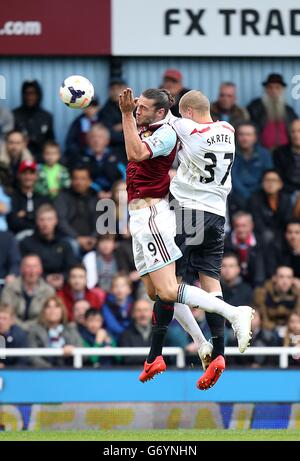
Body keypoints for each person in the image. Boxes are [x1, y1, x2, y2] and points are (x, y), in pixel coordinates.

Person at [119, 87, 253, 387]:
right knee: (191, 284)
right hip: (217, 214)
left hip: (185, 212)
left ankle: (158, 353)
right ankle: (215, 350)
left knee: (168, 288)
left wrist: (130, 113)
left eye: (143, 107)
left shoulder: (176, 127)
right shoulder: (228, 129)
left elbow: (140, 149)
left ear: (184, 112)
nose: (137, 110)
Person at [20, 204, 77, 289]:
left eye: (49, 219)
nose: (45, 223)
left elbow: (72, 267)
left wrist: (62, 278)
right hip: (35, 287)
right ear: (37, 221)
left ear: (56, 221)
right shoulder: (26, 243)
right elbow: (23, 269)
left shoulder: (65, 244)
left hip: (62, 286)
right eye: (42, 220)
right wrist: (45, 278)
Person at [54, 166, 98, 256]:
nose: (79, 182)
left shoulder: (95, 197)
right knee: (72, 245)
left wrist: (93, 238)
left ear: (89, 181)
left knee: (105, 245)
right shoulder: (62, 197)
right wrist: (77, 238)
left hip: (93, 240)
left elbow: (100, 221)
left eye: (83, 179)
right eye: (75, 178)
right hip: (69, 239)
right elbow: (61, 221)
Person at [1, 254, 55, 328]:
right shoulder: (10, 288)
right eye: (28, 267)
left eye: (35, 266)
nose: (32, 271)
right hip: (12, 329)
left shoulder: (49, 291)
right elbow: (6, 311)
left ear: (41, 269)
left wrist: (28, 327)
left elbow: (46, 315)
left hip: (39, 328)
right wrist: (20, 328)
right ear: (21, 269)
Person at [27, 295, 82, 368]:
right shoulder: (35, 331)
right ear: (44, 311)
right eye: (48, 307)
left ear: (62, 310)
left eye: (56, 306)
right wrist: (51, 369)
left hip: (68, 372)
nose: (52, 310)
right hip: (44, 373)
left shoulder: (71, 330)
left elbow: (83, 354)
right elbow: (32, 357)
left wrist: (73, 350)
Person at [247, 73, 298, 150]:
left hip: (285, 153)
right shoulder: (255, 107)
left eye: (277, 88)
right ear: (266, 89)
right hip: (262, 151)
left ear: (282, 90)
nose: (273, 91)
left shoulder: (289, 111)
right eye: (270, 87)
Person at [231, 122, 273, 208]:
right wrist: (246, 194)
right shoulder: (230, 153)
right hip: (236, 196)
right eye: (241, 134)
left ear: (255, 137)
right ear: (236, 137)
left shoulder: (264, 154)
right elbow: (232, 178)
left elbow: (268, 177)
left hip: (260, 196)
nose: (245, 138)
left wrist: (255, 196)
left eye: (248, 135)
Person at [248, 169, 293, 247]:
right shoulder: (255, 199)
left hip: (282, 236)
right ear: (262, 183)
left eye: (274, 180)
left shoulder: (286, 199)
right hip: (262, 235)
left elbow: (287, 220)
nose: (270, 183)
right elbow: (257, 223)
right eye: (267, 180)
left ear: (280, 184)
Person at [77, 123, 125, 195]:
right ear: (87, 140)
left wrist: (113, 192)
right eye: (93, 137)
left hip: (115, 194)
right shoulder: (81, 157)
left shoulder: (117, 156)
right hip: (90, 195)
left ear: (107, 140)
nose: (96, 141)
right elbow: (80, 178)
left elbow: (125, 176)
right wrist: (98, 191)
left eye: (100, 137)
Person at [7, 159, 50, 239]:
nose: (28, 177)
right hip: (18, 237)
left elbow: (48, 221)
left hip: (40, 237)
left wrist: (25, 215)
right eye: (24, 173)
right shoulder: (13, 197)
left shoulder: (43, 198)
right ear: (19, 175)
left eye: (31, 173)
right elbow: (13, 222)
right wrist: (35, 217)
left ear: (36, 176)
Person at [13, 80, 55, 160]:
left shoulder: (47, 116)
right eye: (27, 93)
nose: (30, 97)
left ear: (38, 95)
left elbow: (50, 141)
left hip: (43, 158)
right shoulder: (15, 115)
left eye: (33, 93)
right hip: (20, 157)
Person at [254, 266, 300, 335]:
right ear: (274, 278)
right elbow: (263, 318)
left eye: (289, 277)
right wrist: (277, 329)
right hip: (268, 330)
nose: (285, 281)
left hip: (292, 330)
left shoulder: (297, 293)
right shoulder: (263, 293)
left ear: (293, 280)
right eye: (281, 277)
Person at [224, 211, 266, 287]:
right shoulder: (226, 243)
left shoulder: (261, 242)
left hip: (255, 282)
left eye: (243, 226)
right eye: (237, 226)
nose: (240, 229)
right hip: (231, 283)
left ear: (251, 226)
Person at [99, 79, 127, 161]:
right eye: (112, 89)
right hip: (115, 149)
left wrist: (123, 126)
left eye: (119, 88)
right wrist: (130, 134)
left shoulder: (135, 106)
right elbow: (109, 134)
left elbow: (141, 126)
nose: (115, 92)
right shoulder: (105, 111)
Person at [119, 299, 153, 365]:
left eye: (146, 310)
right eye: (139, 310)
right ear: (133, 314)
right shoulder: (126, 335)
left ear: (152, 313)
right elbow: (127, 359)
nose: (143, 314)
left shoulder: (161, 333)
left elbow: (166, 357)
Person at [101, 274, 134, 342]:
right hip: (113, 340)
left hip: (131, 340)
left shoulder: (134, 305)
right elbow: (112, 326)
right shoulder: (106, 306)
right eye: (116, 286)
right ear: (112, 290)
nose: (119, 289)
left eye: (122, 286)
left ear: (129, 289)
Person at [273, 119, 300, 196]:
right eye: (293, 132)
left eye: (299, 131)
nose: (296, 135)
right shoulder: (280, 153)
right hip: (288, 192)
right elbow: (279, 178)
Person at [0, 303, 28, 368]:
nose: (0, 322)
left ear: (12, 321)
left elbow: (22, 362)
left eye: (4, 318)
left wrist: (6, 367)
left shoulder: (19, 336)